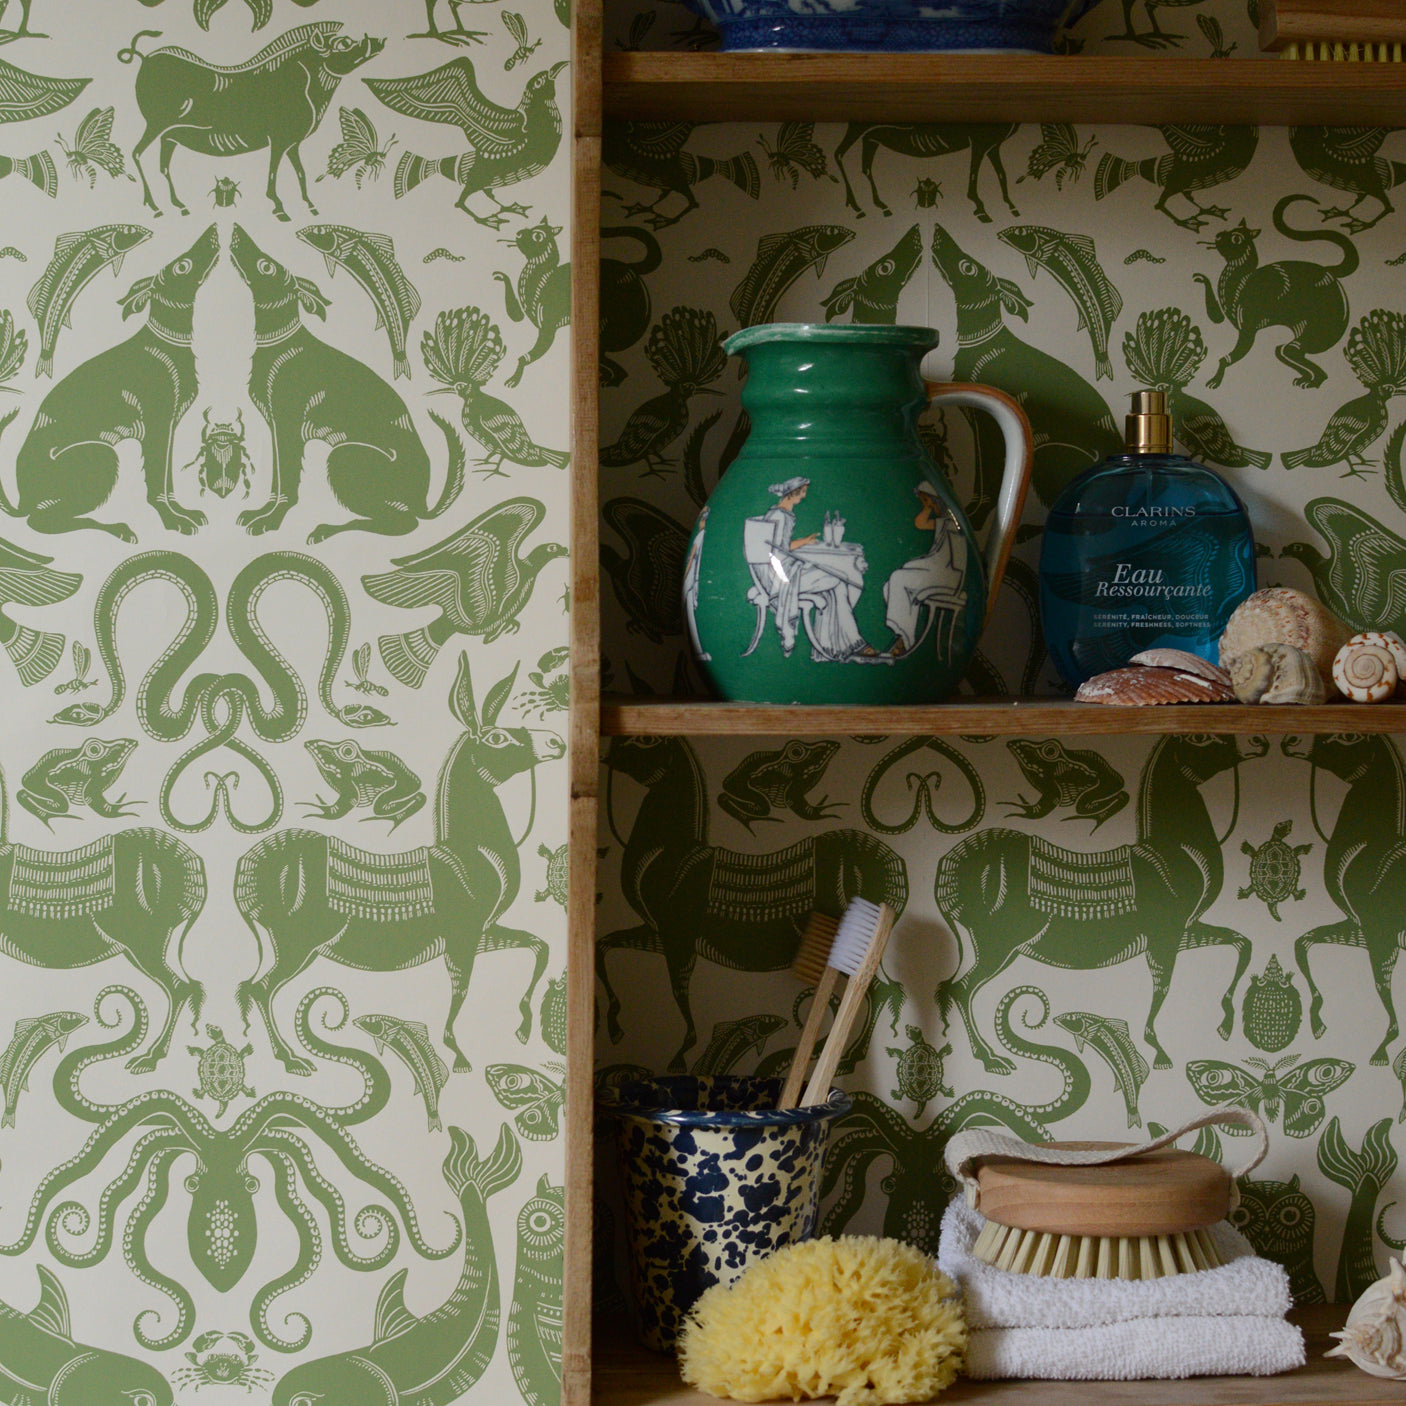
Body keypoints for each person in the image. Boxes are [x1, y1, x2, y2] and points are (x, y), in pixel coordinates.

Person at [752, 476, 874, 662]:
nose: (804, 497)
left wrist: (805, 544)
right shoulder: (781, 515)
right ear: (794, 494)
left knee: (836, 583)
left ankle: (833, 646)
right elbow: (780, 547)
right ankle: (846, 643)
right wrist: (805, 542)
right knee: (838, 582)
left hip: (784, 571)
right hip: (782, 577)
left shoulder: (777, 512)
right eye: (803, 493)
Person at [882, 480, 968, 658]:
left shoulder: (950, 524)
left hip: (949, 576)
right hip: (941, 570)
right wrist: (928, 507)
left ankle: (906, 640)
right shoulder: (943, 522)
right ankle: (903, 634)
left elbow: (954, 560)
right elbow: (920, 523)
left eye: (927, 502)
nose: (925, 506)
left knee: (899, 578)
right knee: (892, 583)